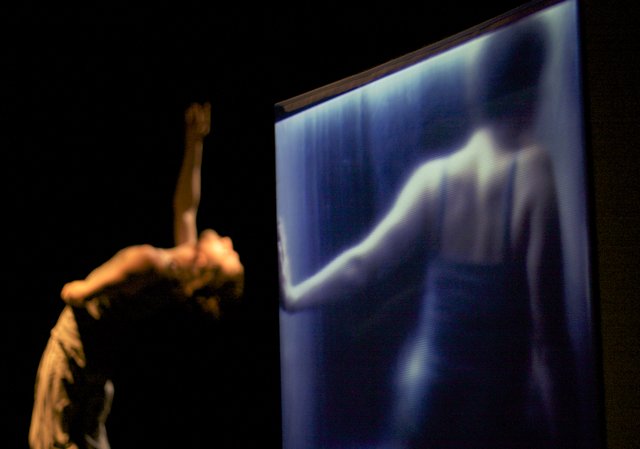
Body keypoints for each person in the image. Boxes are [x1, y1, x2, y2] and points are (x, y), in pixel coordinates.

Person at [278, 20, 577, 449]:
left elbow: (363, 264)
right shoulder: (533, 173)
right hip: (492, 410)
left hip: (427, 396)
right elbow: (549, 334)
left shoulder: (435, 179)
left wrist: (293, 296)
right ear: (532, 88)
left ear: (481, 88)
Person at [28, 102, 244, 449]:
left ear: (205, 266)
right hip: (94, 371)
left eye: (230, 255)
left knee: (54, 440)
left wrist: (79, 289)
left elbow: (86, 290)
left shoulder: (152, 263)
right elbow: (186, 207)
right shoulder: (179, 276)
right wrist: (195, 143)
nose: (230, 242)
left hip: (73, 361)